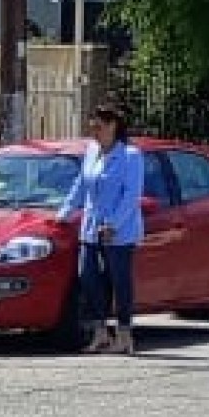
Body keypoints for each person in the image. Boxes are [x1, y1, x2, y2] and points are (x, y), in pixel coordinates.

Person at [55, 101, 146, 354]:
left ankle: (125, 334)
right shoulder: (92, 151)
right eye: (93, 126)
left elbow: (131, 195)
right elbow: (81, 185)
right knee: (88, 277)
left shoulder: (130, 156)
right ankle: (100, 332)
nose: (95, 130)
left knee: (120, 280)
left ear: (113, 126)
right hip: (91, 226)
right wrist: (65, 211)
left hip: (119, 229)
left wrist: (114, 224)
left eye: (100, 126)